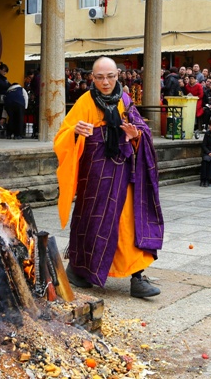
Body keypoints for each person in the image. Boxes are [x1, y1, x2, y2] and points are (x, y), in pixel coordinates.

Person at [54, 57, 163, 299]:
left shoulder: (125, 100)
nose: (106, 82)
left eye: (110, 76)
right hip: (96, 176)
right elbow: (62, 136)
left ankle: (137, 276)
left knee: (128, 222)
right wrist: (75, 133)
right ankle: (80, 270)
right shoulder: (84, 102)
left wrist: (136, 136)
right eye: (100, 77)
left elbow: (141, 130)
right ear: (92, 78)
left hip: (123, 172)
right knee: (91, 221)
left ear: (118, 76)